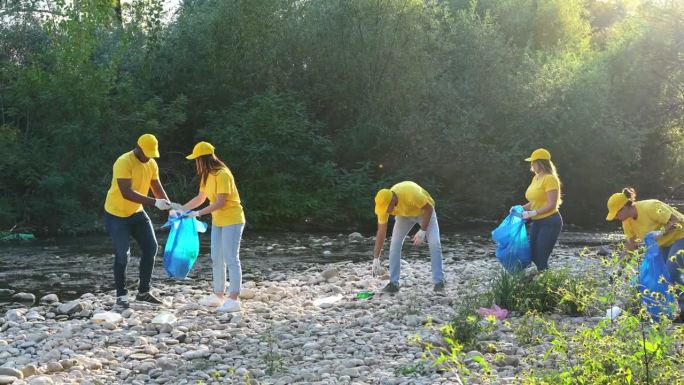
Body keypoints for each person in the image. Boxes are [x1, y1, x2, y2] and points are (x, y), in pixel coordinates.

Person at [104, 133, 175, 308]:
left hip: (136, 213)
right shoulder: (123, 161)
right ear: (138, 148)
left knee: (151, 247)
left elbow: (156, 186)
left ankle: (143, 292)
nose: (148, 157)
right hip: (116, 214)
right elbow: (126, 193)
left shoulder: (151, 163)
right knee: (123, 254)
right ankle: (121, 296)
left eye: (151, 154)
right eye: (146, 153)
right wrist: (154, 202)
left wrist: (170, 207)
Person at [174, 142, 245, 312]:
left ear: (202, 159)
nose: (195, 163)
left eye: (196, 159)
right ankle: (219, 295)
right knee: (216, 257)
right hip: (219, 220)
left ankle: (234, 299)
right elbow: (201, 197)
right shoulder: (207, 175)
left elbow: (221, 202)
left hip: (233, 219)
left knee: (231, 257)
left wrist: (197, 214)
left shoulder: (223, 174)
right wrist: (181, 210)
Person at [606, 187, 684, 322]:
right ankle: (668, 311)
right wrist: (619, 269)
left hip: (680, 236)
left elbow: (675, 221)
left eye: (617, 214)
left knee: (672, 269)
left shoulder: (651, 206)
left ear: (625, 207)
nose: (616, 217)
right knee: (661, 277)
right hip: (664, 244)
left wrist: (659, 233)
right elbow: (631, 245)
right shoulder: (627, 222)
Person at [372, 181, 445, 293]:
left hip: (424, 213)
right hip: (404, 215)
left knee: (435, 243)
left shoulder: (411, 193)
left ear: (393, 200)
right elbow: (381, 232)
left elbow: (429, 208)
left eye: (387, 208)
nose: (386, 211)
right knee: (394, 244)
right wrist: (376, 257)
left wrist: (423, 231)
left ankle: (439, 282)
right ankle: (393, 284)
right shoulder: (384, 206)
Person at [512, 148, 563, 271]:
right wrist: (519, 208)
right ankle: (538, 282)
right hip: (538, 221)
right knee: (532, 255)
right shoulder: (536, 178)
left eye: (533, 162)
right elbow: (535, 202)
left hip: (550, 221)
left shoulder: (550, 179)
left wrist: (531, 213)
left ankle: (548, 286)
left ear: (540, 163)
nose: (531, 165)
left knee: (541, 258)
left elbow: (552, 204)